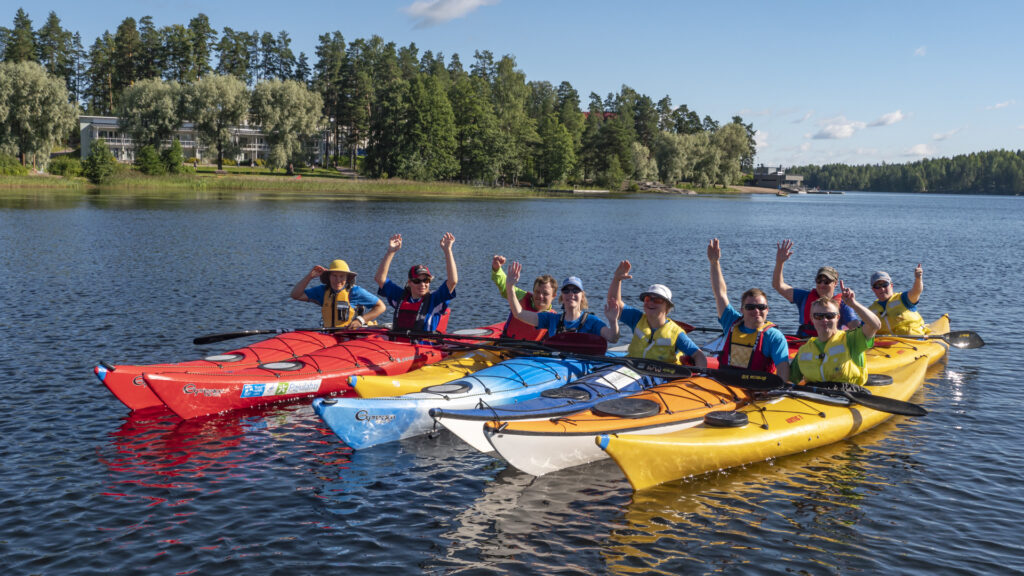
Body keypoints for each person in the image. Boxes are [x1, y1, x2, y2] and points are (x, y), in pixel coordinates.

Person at [708, 239, 790, 381]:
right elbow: (720, 293)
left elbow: (783, 369)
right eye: (750, 307)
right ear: (742, 310)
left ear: (767, 310)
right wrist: (714, 262)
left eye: (761, 307)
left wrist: (778, 392)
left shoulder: (774, 337)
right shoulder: (731, 321)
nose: (756, 311)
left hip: (756, 390)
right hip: (725, 384)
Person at [607, 260, 707, 367]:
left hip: (661, 377)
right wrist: (617, 279)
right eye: (647, 299)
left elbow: (698, 355)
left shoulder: (677, 334)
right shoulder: (637, 318)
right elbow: (614, 304)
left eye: (657, 300)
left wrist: (699, 374)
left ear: (667, 308)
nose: (651, 303)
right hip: (633, 370)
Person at [789, 281, 882, 387]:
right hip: (814, 396)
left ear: (837, 317)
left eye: (829, 316)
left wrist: (853, 304)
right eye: (818, 316)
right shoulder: (803, 350)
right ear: (812, 318)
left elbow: (875, 325)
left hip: (848, 395)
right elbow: (790, 381)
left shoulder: (851, 340)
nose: (824, 320)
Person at [504, 261, 619, 342]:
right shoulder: (551, 319)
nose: (571, 294)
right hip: (556, 368)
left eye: (575, 290)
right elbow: (518, 314)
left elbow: (613, 338)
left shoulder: (592, 322)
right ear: (561, 297)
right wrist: (510, 286)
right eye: (566, 290)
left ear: (582, 296)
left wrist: (613, 321)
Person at [773, 239, 861, 338]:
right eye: (819, 280)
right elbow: (778, 285)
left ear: (835, 283)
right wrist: (779, 263)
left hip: (830, 344)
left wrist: (854, 304)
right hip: (804, 342)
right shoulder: (803, 297)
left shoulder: (844, 303)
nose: (822, 284)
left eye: (827, 281)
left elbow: (855, 325)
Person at [374, 232, 458, 332]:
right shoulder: (400, 296)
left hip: (423, 346)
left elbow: (452, 281)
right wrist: (390, 252)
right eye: (417, 281)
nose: (422, 284)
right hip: (397, 345)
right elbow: (380, 279)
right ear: (410, 282)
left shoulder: (435, 299)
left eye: (426, 280)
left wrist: (448, 251)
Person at [290, 259, 386, 329]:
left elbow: (381, 306)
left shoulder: (355, 291)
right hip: (330, 334)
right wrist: (309, 277)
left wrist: (360, 320)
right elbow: (295, 295)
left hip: (351, 335)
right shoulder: (322, 291)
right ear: (329, 277)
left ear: (347, 278)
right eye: (334, 276)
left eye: (342, 276)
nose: (338, 280)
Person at [491, 255, 557, 340]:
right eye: (537, 292)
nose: (540, 296)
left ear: (553, 296)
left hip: (531, 350)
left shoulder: (555, 318)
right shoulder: (523, 297)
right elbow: (506, 285)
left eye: (545, 293)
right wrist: (497, 269)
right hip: (507, 344)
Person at [868, 264, 927, 335]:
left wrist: (918, 279)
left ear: (891, 286)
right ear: (873, 289)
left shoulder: (903, 298)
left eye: (885, 284)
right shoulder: (870, 311)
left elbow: (916, 292)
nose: (882, 289)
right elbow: (862, 330)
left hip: (915, 340)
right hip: (888, 343)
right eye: (877, 286)